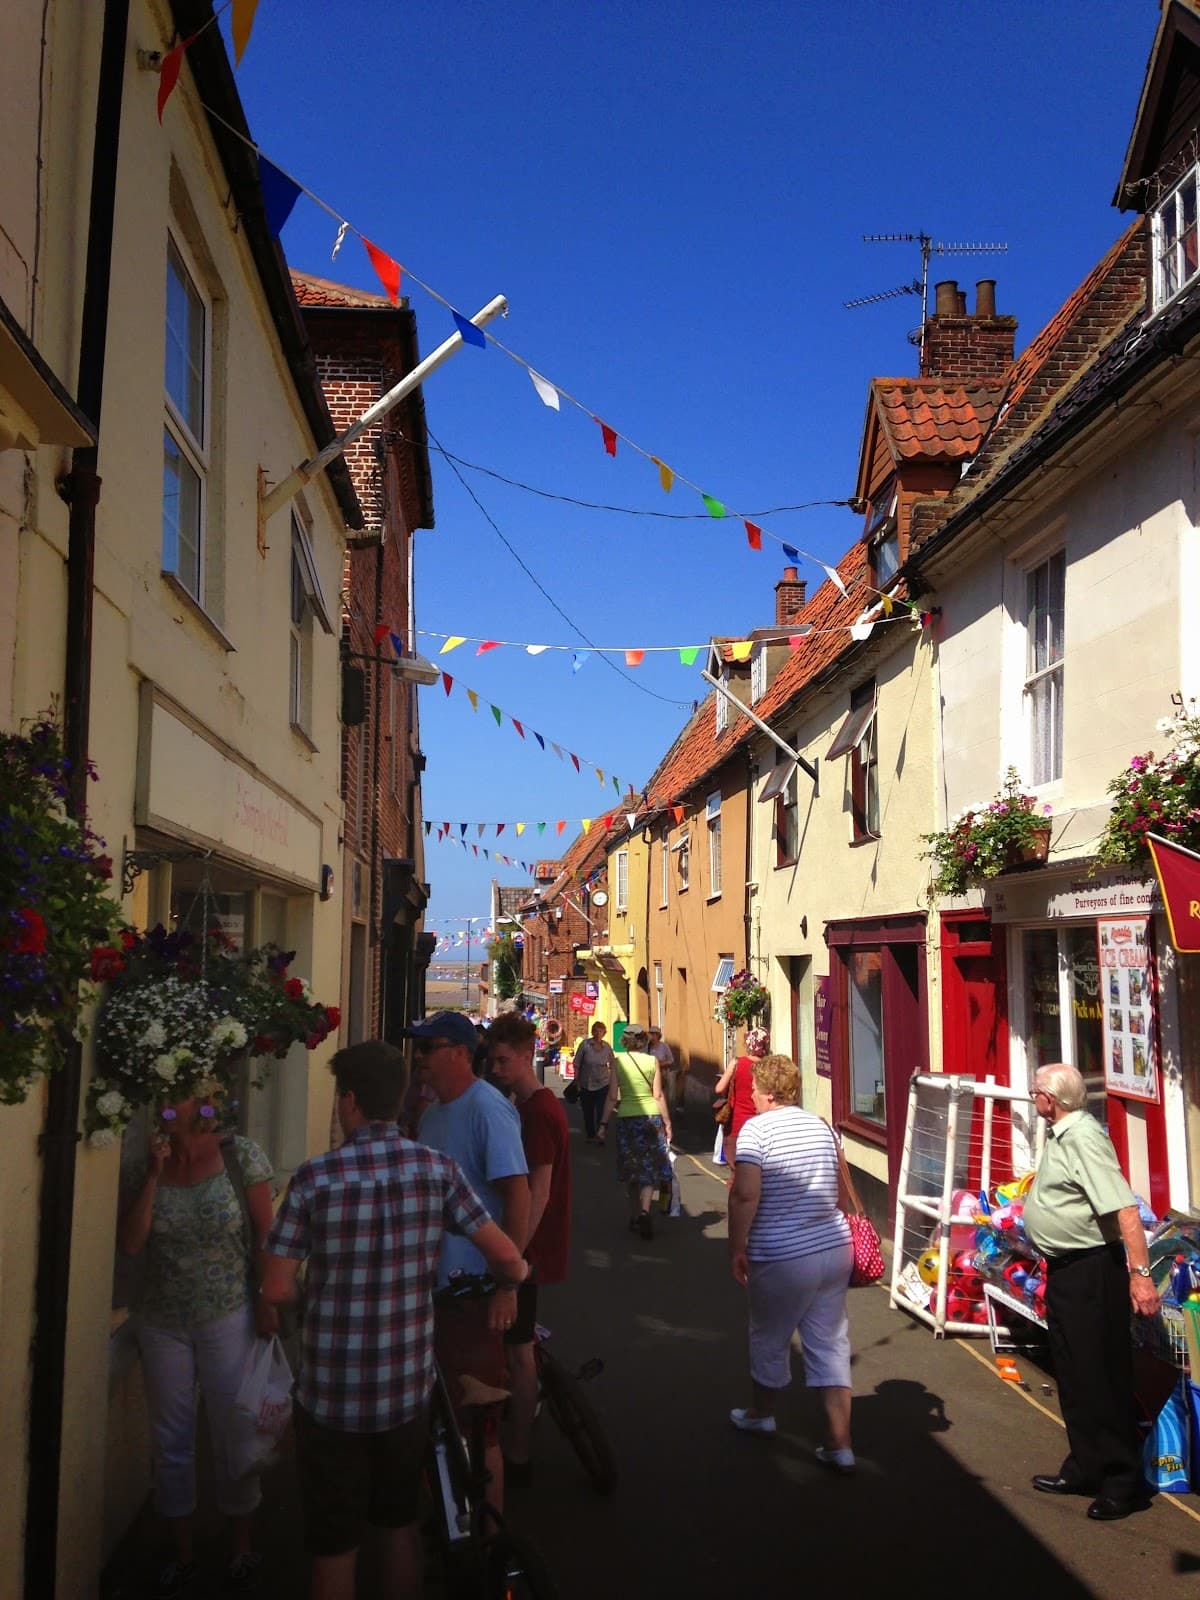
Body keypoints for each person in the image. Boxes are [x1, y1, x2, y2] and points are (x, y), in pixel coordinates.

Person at [262, 1041, 528, 1600]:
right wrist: (510, 1281)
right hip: (404, 1393)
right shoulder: (436, 1170)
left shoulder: (313, 1180)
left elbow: (277, 1287)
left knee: (334, 1544)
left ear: (350, 1102)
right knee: (398, 1525)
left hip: (330, 1396)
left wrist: (320, 1296)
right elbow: (507, 1256)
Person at [117, 1095, 275, 1598]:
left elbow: (266, 1233)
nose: (164, 1104)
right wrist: (152, 1173)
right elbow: (132, 1243)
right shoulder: (148, 1167)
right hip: (162, 1319)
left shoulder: (240, 1155)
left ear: (199, 1105)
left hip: (227, 1311)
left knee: (234, 1426)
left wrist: (269, 1298)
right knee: (171, 1437)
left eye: (175, 1096)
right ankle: (182, 1550)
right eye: (160, 1098)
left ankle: (241, 1544)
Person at [1022, 1062, 1159, 1521]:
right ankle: (1084, 1466)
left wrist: (1140, 1275)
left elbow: (1123, 1208)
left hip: (1092, 1271)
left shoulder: (1083, 1137)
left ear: (1050, 1099)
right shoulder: (1060, 1133)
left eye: (1035, 1090)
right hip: (1065, 1271)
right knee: (1074, 1372)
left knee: (1101, 1375)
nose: (1032, 1096)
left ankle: (1123, 1482)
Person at [410, 1010, 530, 1514]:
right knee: (433, 1418)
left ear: (460, 1053)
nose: (419, 1060)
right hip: (431, 1290)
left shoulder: (488, 1109)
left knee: (479, 1426)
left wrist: (507, 1285)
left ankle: (490, 1542)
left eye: (428, 1048)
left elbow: (517, 1197)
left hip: (474, 1289)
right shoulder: (432, 1114)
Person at [726, 1053, 855, 1471]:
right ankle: (840, 1444)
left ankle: (762, 1415)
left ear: (763, 1092)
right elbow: (838, 1188)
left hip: (782, 1254)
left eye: (752, 1091)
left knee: (768, 1336)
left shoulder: (755, 1131)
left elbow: (746, 1194)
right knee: (831, 1344)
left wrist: (736, 1247)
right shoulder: (819, 1125)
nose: (752, 1097)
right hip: (834, 1247)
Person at [486, 1011, 572, 1482]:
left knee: (518, 1355)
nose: (495, 1069)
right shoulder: (529, 1108)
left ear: (525, 1056)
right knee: (517, 1348)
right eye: (491, 1060)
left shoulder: (537, 1112)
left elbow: (538, 1189)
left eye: (503, 1060)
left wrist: (514, 1257)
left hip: (529, 1249)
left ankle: (517, 1450)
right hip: (530, 1247)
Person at [597, 1022, 673, 1239]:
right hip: (650, 1117)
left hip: (627, 1118)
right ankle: (645, 1211)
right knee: (648, 1168)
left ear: (625, 1041)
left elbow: (612, 1096)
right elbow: (657, 1095)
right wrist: (667, 1123)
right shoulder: (652, 1061)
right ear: (643, 1040)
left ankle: (633, 1216)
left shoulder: (618, 1062)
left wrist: (603, 1124)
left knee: (631, 1169)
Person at [713, 1025, 770, 1172]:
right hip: (762, 1127)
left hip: (737, 1127)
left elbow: (719, 1088)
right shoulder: (768, 1067)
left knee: (737, 1172)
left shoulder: (737, 1063)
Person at [572, 1020, 616, 1142]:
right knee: (588, 1110)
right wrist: (577, 1080)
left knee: (602, 1109)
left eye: (601, 1031)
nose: (598, 1033)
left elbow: (612, 1064)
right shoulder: (585, 1045)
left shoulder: (607, 1047)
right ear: (592, 1032)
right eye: (596, 1030)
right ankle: (590, 1134)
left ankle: (601, 1133)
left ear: (604, 1033)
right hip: (586, 1083)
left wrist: (613, 1080)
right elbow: (576, 1063)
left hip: (603, 1083)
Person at [646, 1026, 676, 1105]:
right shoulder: (647, 1047)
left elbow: (671, 1060)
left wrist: (663, 1063)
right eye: (650, 1033)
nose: (651, 1035)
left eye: (653, 1034)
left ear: (657, 1035)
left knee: (661, 1094)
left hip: (663, 1073)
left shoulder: (664, 1046)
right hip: (650, 1073)